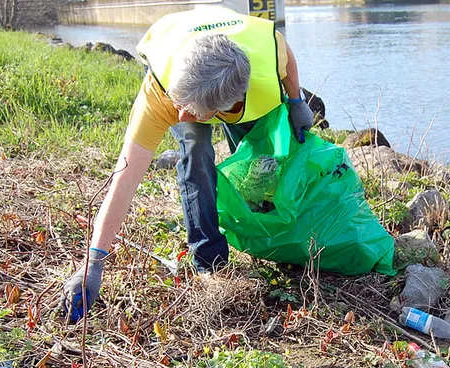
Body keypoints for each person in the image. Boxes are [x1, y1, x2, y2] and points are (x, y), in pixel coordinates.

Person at [61, 6, 315, 322]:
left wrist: (296, 101)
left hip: (238, 69)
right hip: (185, 51)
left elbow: (285, 54)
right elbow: (124, 179)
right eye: (180, 105)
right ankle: (209, 262)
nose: (180, 115)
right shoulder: (162, 93)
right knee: (195, 148)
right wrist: (94, 262)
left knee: (261, 156)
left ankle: (262, 232)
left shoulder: (266, 60)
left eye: (192, 110)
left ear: (225, 107)